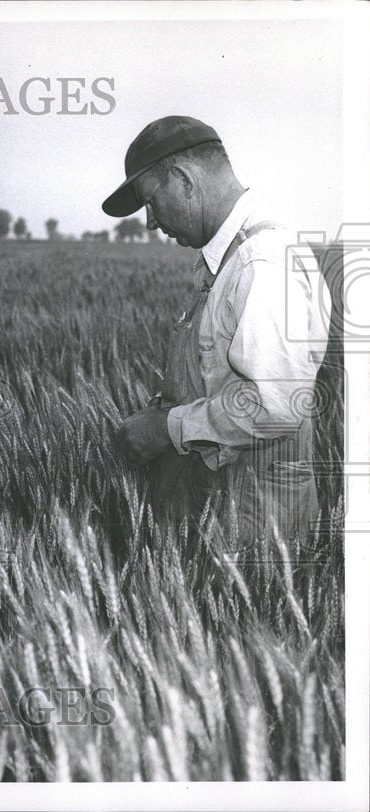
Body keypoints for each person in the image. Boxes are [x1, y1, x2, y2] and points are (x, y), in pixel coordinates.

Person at [104, 116, 329, 552]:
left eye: (152, 201)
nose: (150, 222)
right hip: (228, 515)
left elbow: (274, 405)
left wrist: (166, 428)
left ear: (184, 180)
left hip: (255, 537)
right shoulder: (229, 258)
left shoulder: (260, 263)